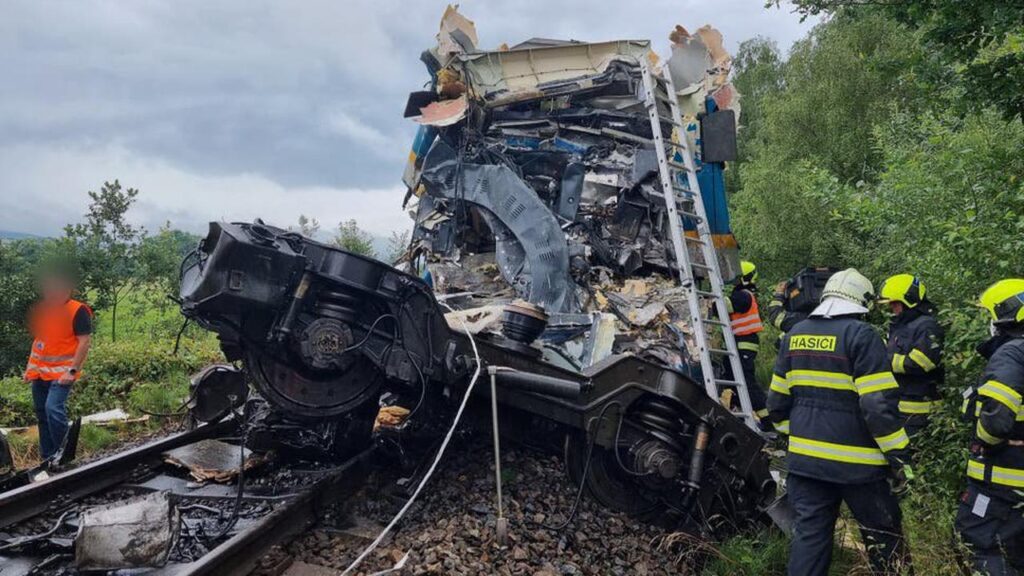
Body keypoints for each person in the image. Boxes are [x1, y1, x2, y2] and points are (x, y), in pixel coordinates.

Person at [767, 268, 913, 576]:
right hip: (859, 468)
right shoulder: (861, 336)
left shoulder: (794, 336)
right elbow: (877, 407)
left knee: (810, 539)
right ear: (861, 303)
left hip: (806, 466)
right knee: (884, 538)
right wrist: (899, 456)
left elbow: (776, 406)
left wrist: (803, 436)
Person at [955, 279, 1024, 575]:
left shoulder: (1012, 353)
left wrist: (985, 442)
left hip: (1003, 483)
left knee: (981, 544)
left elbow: (996, 420)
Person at [23, 269, 92, 462]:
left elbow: (84, 342)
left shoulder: (77, 310)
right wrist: (31, 370)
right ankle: (48, 457)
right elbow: (40, 342)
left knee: (53, 409)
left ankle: (65, 455)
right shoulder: (45, 310)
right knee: (42, 414)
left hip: (63, 374)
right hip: (41, 375)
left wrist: (72, 371)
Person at [877, 274, 944, 437]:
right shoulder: (901, 325)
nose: (892, 308)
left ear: (909, 300)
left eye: (894, 303)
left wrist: (883, 360)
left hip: (920, 411)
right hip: (900, 406)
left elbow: (923, 362)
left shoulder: (926, 326)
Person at [727, 261, 769, 426]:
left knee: (746, 381)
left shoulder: (743, 295)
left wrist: (710, 301)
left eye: (736, 279)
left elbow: (725, 307)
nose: (734, 282)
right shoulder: (743, 294)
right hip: (740, 342)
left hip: (745, 342)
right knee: (731, 377)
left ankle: (767, 419)